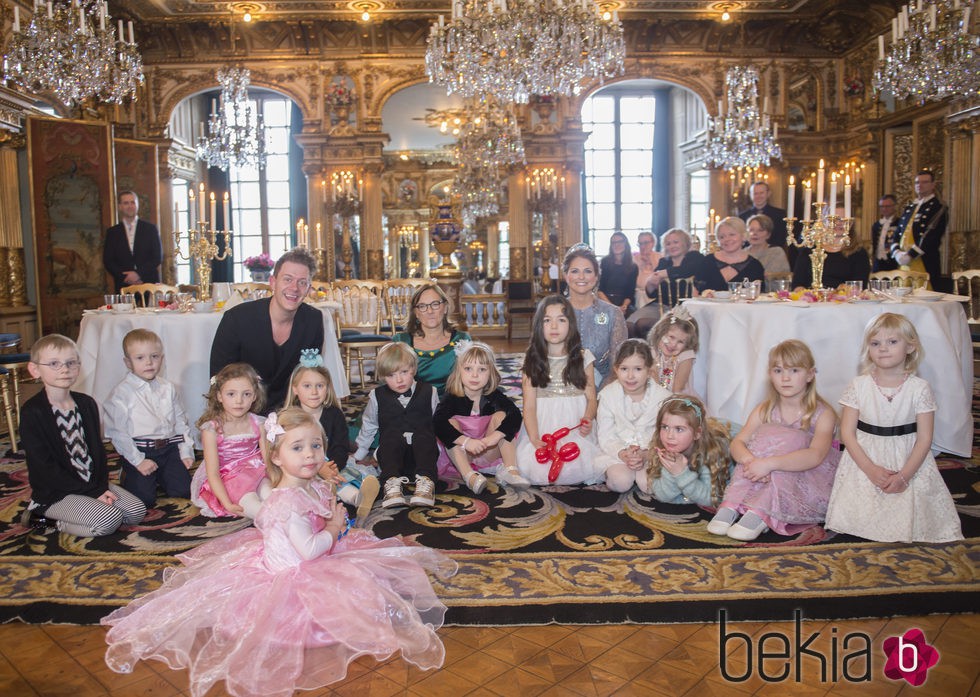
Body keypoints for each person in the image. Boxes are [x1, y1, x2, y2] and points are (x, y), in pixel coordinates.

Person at [103, 408, 456, 697]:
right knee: (354, 596)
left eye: (316, 446)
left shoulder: (308, 486)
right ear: (276, 456)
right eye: (298, 448)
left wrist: (330, 515)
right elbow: (307, 552)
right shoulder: (288, 502)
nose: (310, 455)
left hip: (304, 554)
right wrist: (333, 528)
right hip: (297, 572)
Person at [825, 313, 962, 542]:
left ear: (910, 346)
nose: (883, 349)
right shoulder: (858, 385)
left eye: (892, 342)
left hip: (907, 459)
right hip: (865, 457)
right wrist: (870, 468)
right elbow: (847, 434)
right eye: (875, 343)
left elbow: (925, 439)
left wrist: (904, 476)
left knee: (908, 507)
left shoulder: (920, 388)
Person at [707, 340, 840, 541]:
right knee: (758, 442)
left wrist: (769, 464)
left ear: (810, 374)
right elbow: (738, 442)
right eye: (778, 371)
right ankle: (732, 505)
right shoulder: (765, 409)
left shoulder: (823, 413)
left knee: (793, 437)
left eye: (794, 370)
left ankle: (761, 513)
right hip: (760, 471)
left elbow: (815, 455)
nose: (785, 378)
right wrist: (752, 463)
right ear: (770, 375)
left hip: (804, 475)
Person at [20, 334, 146, 536]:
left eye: (71, 363)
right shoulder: (33, 412)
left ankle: (87, 507)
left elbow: (97, 453)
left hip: (90, 482)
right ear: (35, 369)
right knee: (108, 520)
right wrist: (93, 493)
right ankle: (42, 518)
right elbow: (45, 467)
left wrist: (100, 486)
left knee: (136, 511)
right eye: (54, 363)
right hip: (57, 492)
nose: (64, 369)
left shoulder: (87, 403)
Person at [210, 247, 325, 409]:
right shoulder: (236, 319)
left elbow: (310, 375)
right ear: (273, 282)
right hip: (243, 409)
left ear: (308, 289)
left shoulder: (314, 320)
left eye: (302, 282)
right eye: (287, 279)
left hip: (290, 409)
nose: (294, 288)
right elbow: (219, 376)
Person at [514, 295, 603, 486]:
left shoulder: (584, 357)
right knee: (537, 470)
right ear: (539, 325)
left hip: (575, 427)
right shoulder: (531, 360)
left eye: (561, 320)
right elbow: (529, 407)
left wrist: (587, 419)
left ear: (571, 325)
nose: (554, 326)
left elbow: (592, 399)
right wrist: (534, 438)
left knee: (580, 465)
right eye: (547, 320)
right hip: (544, 425)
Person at [285, 349, 379, 523]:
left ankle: (359, 498)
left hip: (332, 464)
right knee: (307, 482)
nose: (314, 392)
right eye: (307, 386)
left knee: (344, 475)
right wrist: (318, 468)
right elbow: (289, 451)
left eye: (320, 386)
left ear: (327, 388)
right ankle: (350, 497)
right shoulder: (291, 416)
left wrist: (333, 467)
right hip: (301, 466)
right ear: (295, 389)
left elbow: (340, 446)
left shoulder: (333, 414)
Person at [103, 329, 194, 508]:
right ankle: (128, 472)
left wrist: (185, 451)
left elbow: (180, 421)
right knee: (144, 501)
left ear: (162, 358)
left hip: (168, 449)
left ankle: (162, 474)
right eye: (140, 358)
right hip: (140, 450)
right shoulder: (121, 394)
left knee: (184, 491)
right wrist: (138, 461)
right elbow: (117, 432)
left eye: (154, 356)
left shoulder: (168, 388)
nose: (149, 363)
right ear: (128, 362)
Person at [433, 341, 528, 492]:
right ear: (459, 371)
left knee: (502, 416)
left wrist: (494, 437)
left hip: (488, 450)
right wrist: (466, 442)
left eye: (482, 369)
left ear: (491, 373)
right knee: (449, 423)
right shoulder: (451, 397)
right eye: (468, 369)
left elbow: (515, 415)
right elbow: (437, 423)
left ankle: (510, 470)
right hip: (463, 454)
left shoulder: (493, 395)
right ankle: (469, 475)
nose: (475, 375)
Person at [354, 342, 440, 509]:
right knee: (391, 436)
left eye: (404, 372)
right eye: (391, 375)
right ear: (383, 376)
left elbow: (437, 423)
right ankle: (391, 484)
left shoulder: (430, 392)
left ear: (414, 369)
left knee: (424, 434)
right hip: (391, 458)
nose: (399, 380)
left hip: (422, 457)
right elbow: (369, 425)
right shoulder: (376, 396)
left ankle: (425, 484)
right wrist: (359, 454)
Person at [190, 363, 268, 518]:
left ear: (254, 396)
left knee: (275, 497)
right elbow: (212, 473)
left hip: (257, 472)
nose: (239, 401)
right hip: (229, 480)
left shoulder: (259, 423)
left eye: (246, 394)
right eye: (231, 394)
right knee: (259, 511)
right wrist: (226, 503)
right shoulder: (212, 429)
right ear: (219, 396)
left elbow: (268, 460)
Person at [595, 339, 672, 493]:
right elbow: (605, 434)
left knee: (649, 485)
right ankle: (620, 472)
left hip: (651, 452)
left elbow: (665, 434)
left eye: (637, 369)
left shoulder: (663, 398)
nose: (630, 376)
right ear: (616, 369)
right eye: (624, 369)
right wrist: (623, 453)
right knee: (620, 482)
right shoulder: (608, 396)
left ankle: (642, 472)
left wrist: (646, 454)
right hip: (618, 452)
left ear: (649, 370)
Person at [640, 396, 731, 507]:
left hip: (732, 435)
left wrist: (681, 474)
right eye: (665, 427)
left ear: (697, 433)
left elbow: (712, 499)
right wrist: (671, 470)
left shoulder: (711, 451)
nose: (669, 436)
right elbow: (662, 496)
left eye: (679, 429)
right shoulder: (660, 446)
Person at [563, 245, 627, 388]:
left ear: (596, 276)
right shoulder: (554, 313)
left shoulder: (613, 314)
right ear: (566, 276)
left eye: (587, 271)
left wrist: (601, 396)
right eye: (575, 271)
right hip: (562, 388)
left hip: (604, 389)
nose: (581, 277)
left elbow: (620, 364)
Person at [393, 283, 471, 396]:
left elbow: (474, 379)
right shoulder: (401, 342)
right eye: (422, 306)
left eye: (435, 304)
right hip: (411, 405)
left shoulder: (462, 340)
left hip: (452, 403)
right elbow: (389, 382)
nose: (430, 311)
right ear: (416, 313)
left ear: (445, 308)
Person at [629, 228, 703, 338]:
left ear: (685, 243)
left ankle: (653, 353)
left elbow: (686, 270)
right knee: (629, 324)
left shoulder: (695, 257)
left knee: (642, 323)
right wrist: (650, 283)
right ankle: (638, 354)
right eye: (668, 243)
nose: (672, 246)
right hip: (659, 305)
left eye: (676, 242)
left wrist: (662, 274)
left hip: (683, 309)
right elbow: (652, 293)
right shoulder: (664, 262)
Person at [890, 169, 950, 292]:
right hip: (904, 263)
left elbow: (932, 236)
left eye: (924, 182)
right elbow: (898, 233)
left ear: (933, 185)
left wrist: (911, 255)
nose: (920, 185)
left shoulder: (938, 207)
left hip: (923, 260)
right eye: (917, 182)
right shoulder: (910, 207)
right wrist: (896, 252)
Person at [792, 207, 870, 289]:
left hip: (843, 300)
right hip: (811, 300)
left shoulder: (859, 253)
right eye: (834, 219)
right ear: (824, 222)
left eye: (843, 219)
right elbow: (797, 285)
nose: (839, 223)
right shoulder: (810, 250)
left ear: (851, 223)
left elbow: (859, 287)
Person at [103, 190, 162, 293]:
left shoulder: (150, 229)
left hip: (148, 283)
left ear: (137, 205)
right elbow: (108, 260)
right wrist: (126, 277)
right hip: (124, 285)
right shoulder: (112, 232)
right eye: (126, 203)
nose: (130, 206)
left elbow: (157, 257)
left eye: (133, 202)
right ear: (120, 206)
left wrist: (138, 274)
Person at [694, 217, 765, 293]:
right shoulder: (707, 262)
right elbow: (695, 292)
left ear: (744, 236)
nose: (727, 239)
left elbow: (759, 297)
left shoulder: (755, 266)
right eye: (722, 237)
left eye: (732, 234)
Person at [647, 306, 699, 395]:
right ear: (660, 332)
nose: (673, 344)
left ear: (687, 345)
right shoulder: (652, 353)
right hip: (654, 396)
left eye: (681, 342)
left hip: (678, 401)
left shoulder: (685, 357)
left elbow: (677, 390)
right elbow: (652, 382)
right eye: (671, 337)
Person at [597, 232, 639, 317]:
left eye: (620, 241)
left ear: (626, 244)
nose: (617, 244)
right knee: (602, 322)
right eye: (614, 242)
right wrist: (613, 307)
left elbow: (630, 293)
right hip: (605, 301)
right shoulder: (605, 262)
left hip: (624, 304)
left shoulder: (633, 267)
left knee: (629, 325)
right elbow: (600, 290)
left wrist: (623, 306)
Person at [738, 180, 789, 249]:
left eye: (761, 193)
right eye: (755, 193)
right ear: (750, 195)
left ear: (768, 194)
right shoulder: (742, 216)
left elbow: (781, 238)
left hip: (772, 253)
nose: (758, 196)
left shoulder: (780, 214)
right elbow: (741, 238)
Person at [632, 231, 662, 312]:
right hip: (638, 295)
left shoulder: (660, 257)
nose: (643, 246)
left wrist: (650, 262)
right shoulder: (634, 259)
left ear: (653, 243)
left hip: (656, 296)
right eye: (640, 243)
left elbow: (660, 277)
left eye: (645, 243)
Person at [871, 194, 899, 273]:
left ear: (894, 206)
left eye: (887, 206)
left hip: (893, 262)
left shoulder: (899, 223)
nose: (884, 209)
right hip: (878, 263)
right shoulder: (876, 225)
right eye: (882, 206)